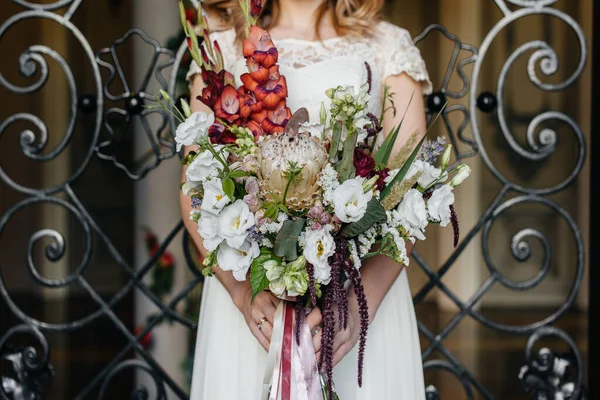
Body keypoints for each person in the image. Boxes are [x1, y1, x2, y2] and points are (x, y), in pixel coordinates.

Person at [181, 0, 432, 398]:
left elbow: (408, 196)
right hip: (255, 306)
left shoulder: (387, 47)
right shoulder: (224, 46)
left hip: (359, 298)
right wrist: (243, 294)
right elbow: (193, 190)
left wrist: (354, 306)